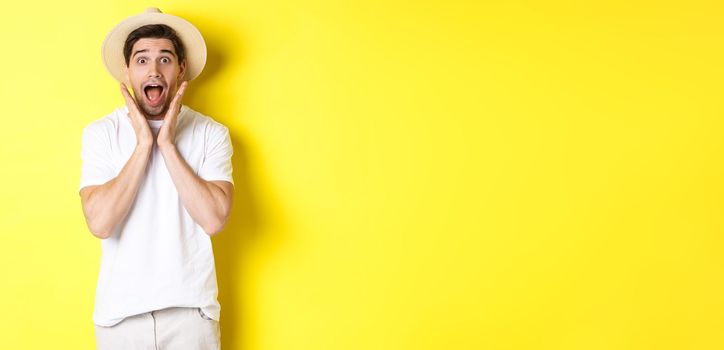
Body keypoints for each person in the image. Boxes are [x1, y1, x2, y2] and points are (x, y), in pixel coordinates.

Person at [78, 7, 233, 349]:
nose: (153, 69)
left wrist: (167, 144)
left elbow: (214, 218)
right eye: (142, 59)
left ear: (181, 68)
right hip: (120, 319)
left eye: (165, 60)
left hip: (191, 316)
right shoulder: (101, 133)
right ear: (128, 71)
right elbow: (100, 223)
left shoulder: (211, 133)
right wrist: (144, 144)